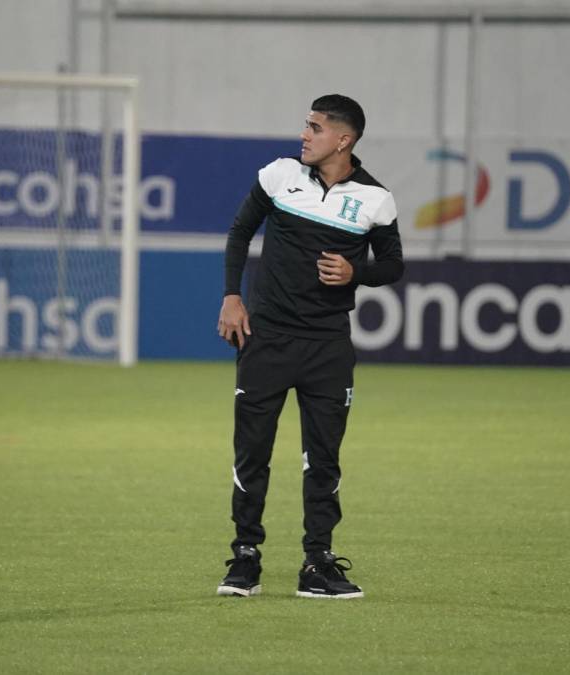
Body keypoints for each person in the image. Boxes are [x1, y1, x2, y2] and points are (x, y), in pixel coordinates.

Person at [215, 94, 404, 599]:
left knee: (323, 459)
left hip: (327, 348)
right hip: (266, 339)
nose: (305, 135)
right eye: (306, 125)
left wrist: (355, 272)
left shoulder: (376, 199)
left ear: (343, 139)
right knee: (251, 453)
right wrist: (232, 297)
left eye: (315, 128)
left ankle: (318, 563)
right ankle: (245, 558)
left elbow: (392, 266)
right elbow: (239, 232)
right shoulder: (279, 175)